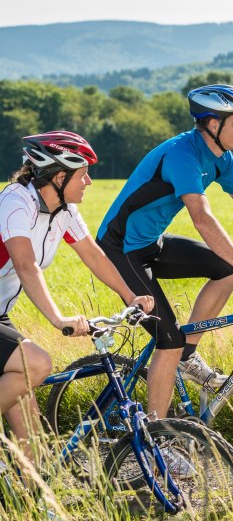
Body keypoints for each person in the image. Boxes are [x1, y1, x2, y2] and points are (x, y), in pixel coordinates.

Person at [96, 84, 233, 420]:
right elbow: (203, 220)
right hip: (120, 249)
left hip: (152, 243)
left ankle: (187, 357)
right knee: (168, 340)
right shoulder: (182, 154)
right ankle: (159, 443)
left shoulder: (223, 158)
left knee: (224, 270)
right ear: (213, 125)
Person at [0, 130, 154, 456]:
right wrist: (58, 319)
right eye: (83, 174)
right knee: (38, 365)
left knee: (32, 436)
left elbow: (93, 254)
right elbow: (26, 265)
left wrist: (130, 296)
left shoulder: (64, 210)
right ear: (59, 176)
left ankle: (31, 501)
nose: (89, 182)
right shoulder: (16, 201)